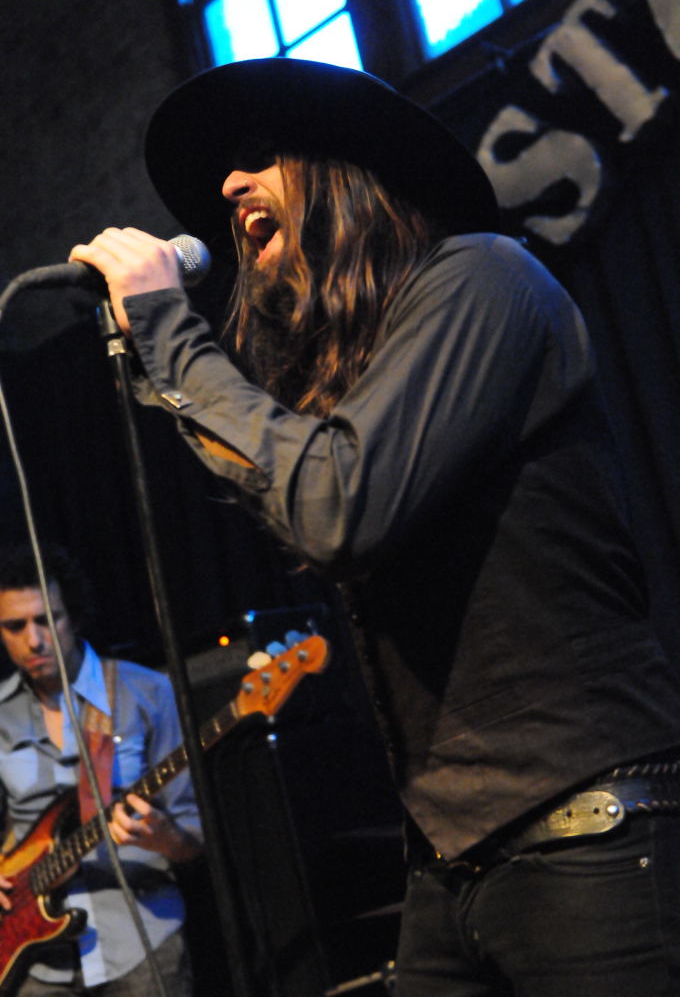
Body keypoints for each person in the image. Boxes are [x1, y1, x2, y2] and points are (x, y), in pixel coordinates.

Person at [69, 58, 680, 996]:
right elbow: (309, 486)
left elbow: (337, 506)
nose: (229, 188)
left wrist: (169, 331)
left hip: (591, 836)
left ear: (345, 174)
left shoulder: (486, 279)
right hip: (450, 860)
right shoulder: (365, 382)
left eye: (259, 156)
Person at [0, 543, 202, 995]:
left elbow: (195, 836)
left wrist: (164, 836)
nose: (35, 640)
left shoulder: (146, 692)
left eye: (48, 619)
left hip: (141, 945)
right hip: (34, 965)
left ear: (73, 616)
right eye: (15, 626)